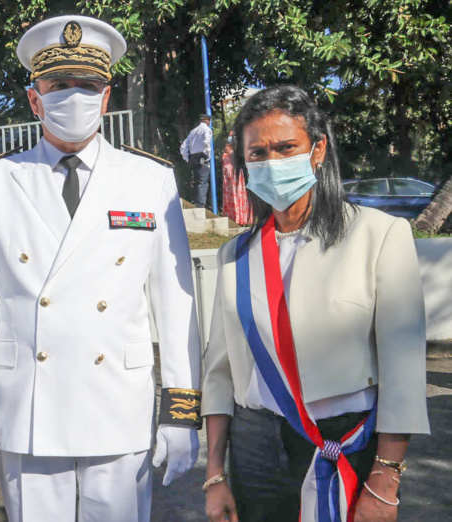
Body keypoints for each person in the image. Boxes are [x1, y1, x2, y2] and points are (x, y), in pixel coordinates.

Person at [0, 14, 202, 522]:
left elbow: (175, 304)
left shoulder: (150, 179)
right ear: (34, 98)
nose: (73, 96)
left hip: (118, 402)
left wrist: (181, 409)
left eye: (86, 85)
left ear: (106, 97)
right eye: (58, 85)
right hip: (29, 406)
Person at [202, 86, 429, 522]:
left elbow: (403, 370)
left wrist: (386, 480)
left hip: (342, 443)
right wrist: (215, 475)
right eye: (258, 153)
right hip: (255, 451)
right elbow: (219, 371)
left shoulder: (377, 236)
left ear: (318, 149)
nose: (272, 163)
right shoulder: (235, 255)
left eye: (286, 148)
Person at [180, 113, 213, 207]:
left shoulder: (193, 131)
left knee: (196, 181)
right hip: (202, 156)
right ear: (207, 121)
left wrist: (188, 158)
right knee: (203, 182)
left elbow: (183, 147)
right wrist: (207, 156)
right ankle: (200, 205)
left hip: (193, 157)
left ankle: (196, 202)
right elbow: (206, 142)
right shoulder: (207, 129)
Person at [220, 131, 251, 225]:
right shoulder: (230, 152)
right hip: (230, 175)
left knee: (235, 194)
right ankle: (234, 216)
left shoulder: (233, 152)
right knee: (233, 194)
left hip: (233, 175)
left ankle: (237, 217)